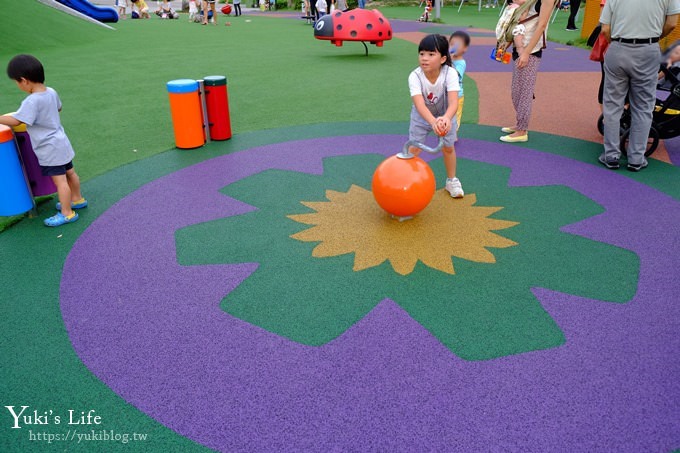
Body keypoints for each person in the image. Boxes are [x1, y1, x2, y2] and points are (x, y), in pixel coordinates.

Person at [0, 55, 86, 227]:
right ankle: (77, 199)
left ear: (24, 81)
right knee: (71, 173)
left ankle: (67, 213)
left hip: (49, 147)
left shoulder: (31, 101)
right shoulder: (51, 91)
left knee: (60, 181)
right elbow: (59, 108)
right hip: (62, 141)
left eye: (16, 82)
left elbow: (17, 121)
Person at [599, 0, 680, 171]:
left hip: (619, 48)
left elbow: (605, 29)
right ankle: (636, 158)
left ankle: (611, 155)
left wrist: (616, 42)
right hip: (648, 49)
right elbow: (672, 23)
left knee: (613, 105)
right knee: (643, 107)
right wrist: (655, 37)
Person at [408, 34, 464, 198]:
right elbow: (419, 104)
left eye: (431, 54)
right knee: (414, 148)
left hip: (446, 114)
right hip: (422, 116)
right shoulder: (415, 76)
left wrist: (446, 119)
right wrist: (433, 122)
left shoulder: (450, 73)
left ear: (442, 58)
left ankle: (451, 180)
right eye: (422, 54)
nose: (424, 58)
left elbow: (454, 102)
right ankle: (407, 179)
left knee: (448, 147)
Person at [500, 0, 557, 143]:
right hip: (519, 47)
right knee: (516, 91)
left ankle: (522, 130)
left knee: (524, 91)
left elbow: (542, 24)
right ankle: (520, 123)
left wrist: (526, 52)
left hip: (530, 50)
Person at [449, 30, 471, 132]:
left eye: (457, 45)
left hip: (457, 95)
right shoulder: (448, 59)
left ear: (465, 48)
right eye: (452, 44)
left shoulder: (461, 63)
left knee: (455, 115)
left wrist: (449, 62)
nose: (454, 47)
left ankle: (454, 133)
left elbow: (456, 75)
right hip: (447, 94)